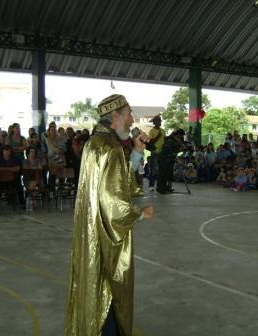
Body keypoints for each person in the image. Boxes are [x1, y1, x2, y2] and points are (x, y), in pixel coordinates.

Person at [64, 94, 153, 336]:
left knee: (95, 282)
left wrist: (136, 152)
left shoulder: (95, 143)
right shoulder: (110, 146)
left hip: (92, 226)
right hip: (106, 230)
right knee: (110, 287)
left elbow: (118, 180)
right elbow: (112, 198)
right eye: (128, 114)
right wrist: (137, 214)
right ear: (114, 117)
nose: (132, 120)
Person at [156, 129, 185, 194]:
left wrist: (180, 146)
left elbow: (178, 150)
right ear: (178, 135)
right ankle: (160, 189)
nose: (181, 137)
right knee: (162, 174)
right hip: (164, 159)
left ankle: (166, 187)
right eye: (180, 136)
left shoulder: (176, 140)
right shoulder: (170, 140)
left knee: (168, 174)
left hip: (170, 159)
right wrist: (180, 146)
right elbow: (169, 150)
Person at [148, 115, 165, 191]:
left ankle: (160, 185)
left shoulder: (163, 130)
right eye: (158, 121)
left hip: (162, 152)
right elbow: (151, 142)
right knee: (153, 169)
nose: (160, 122)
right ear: (154, 122)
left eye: (160, 121)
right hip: (154, 152)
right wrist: (158, 136)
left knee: (161, 170)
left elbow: (164, 140)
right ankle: (151, 185)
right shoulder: (151, 131)